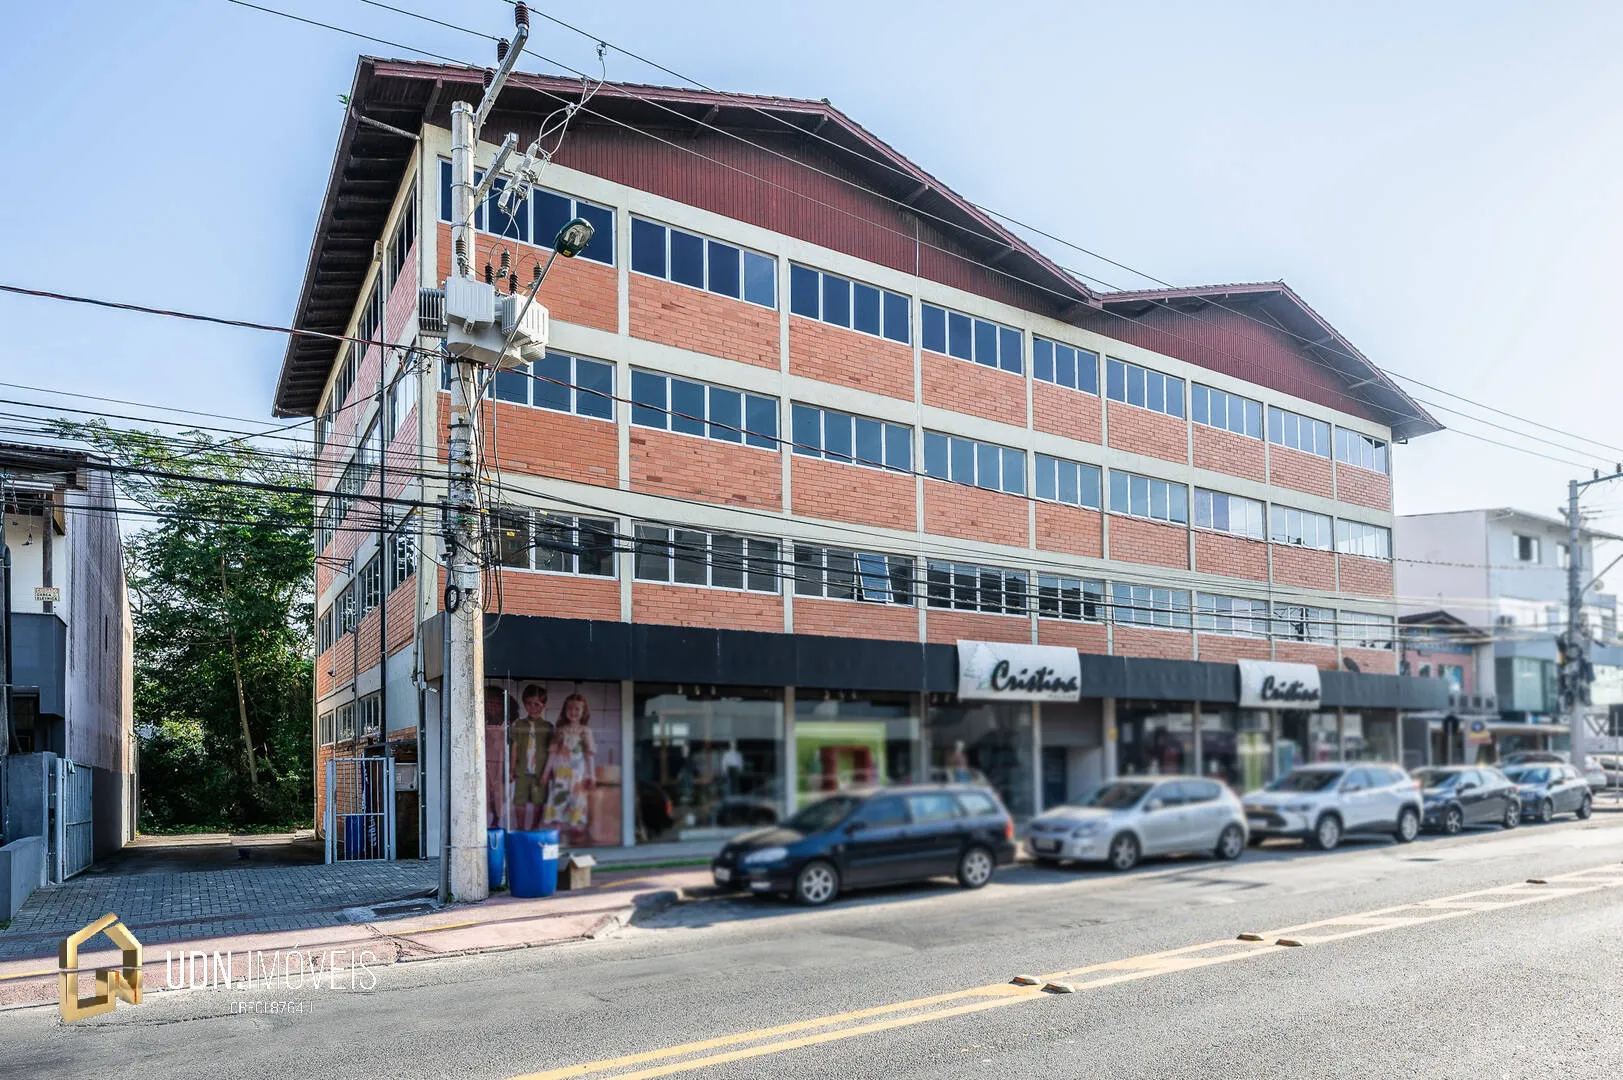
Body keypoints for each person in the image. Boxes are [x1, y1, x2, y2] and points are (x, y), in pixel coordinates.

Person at [541, 693, 597, 844]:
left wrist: (591, 775)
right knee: (558, 805)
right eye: (570, 708)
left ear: (583, 711)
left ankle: (575, 842)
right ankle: (559, 841)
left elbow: (589, 755)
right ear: (565, 710)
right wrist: (546, 773)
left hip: (578, 777)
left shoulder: (585, 731)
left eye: (577, 709)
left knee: (577, 805)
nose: (573, 712)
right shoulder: (560, 731)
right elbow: (552, 753)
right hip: (560, 775)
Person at [511, 684, 553, 831]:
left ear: (543, 705)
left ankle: (535, 828)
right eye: (529, 703)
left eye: (537, 704)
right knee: (520, 799)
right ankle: (521, 828)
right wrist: (511, 769)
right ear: (524, 704)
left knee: (538, 800)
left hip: (540, 771)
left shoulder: (547, 727)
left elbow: (552, 752)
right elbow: (514, 747)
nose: (533, 707)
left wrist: (548, 772)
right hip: (522, 769)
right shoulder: (519, 724)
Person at [484, 685, 514, 829]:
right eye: (490, 703)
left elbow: (513, 748)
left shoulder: (508, 725)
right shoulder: (483, 723)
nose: (493, 707)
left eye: (497, 704)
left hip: (501, 763)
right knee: (484, 793)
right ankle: (487, 822)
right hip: (484, 763)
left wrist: (511, 768)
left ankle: (501, 822)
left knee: (499, 794)